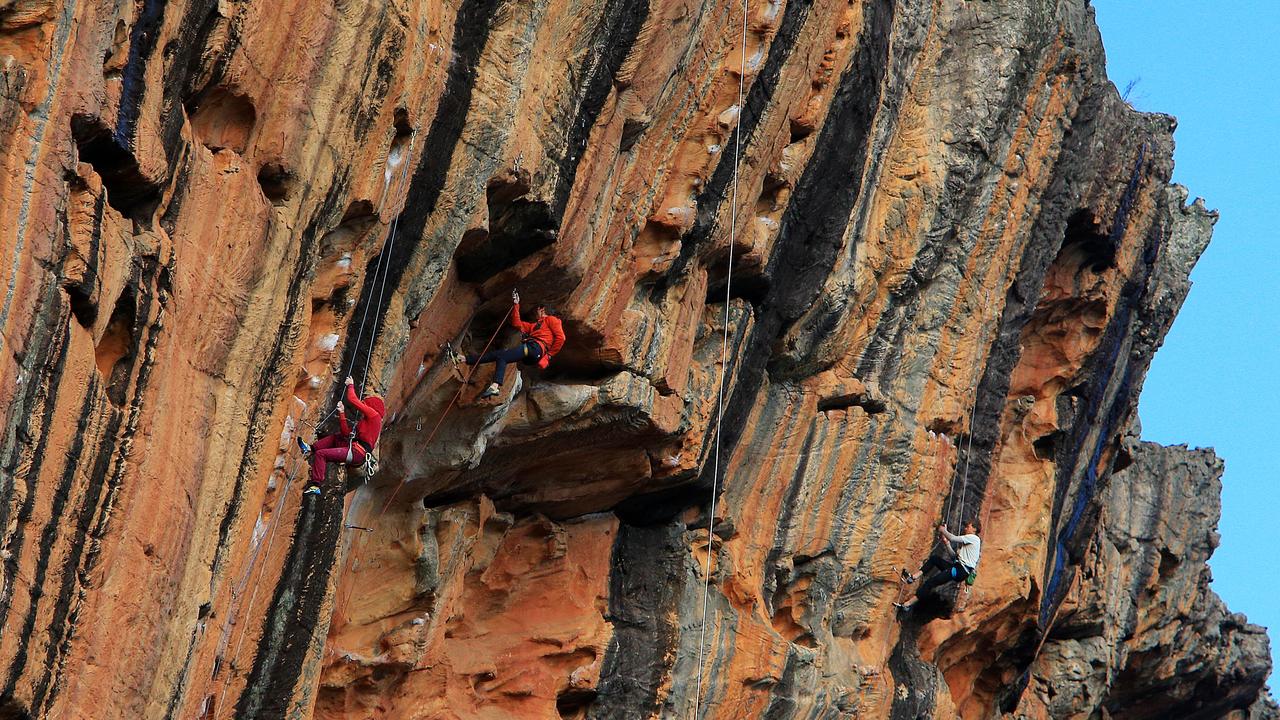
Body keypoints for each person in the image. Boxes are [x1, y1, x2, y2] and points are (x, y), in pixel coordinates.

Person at [456, 290, 566, 399]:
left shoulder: (552, 320)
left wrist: (549, 355)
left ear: (542, 309)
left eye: (537, 310)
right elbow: (516, 323)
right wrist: (516, 304)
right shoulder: (534, 326)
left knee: (502, 357)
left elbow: (561, 338)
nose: (535, 313)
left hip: (535, 348)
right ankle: (464, 359)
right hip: (531, 349)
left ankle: (495, 385)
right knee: (498, 354)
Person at [297, 376, 385, 495]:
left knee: (321, 455)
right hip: (354, 449)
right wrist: (342, 412)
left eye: (365, 405)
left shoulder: (374, 416)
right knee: (337, 437)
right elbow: (345, 433)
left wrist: (351, 385)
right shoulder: (365, 422)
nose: (363, 407)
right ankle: (310, 448)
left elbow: (353, 399)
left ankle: (315, 485)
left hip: (357, 453)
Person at [895, 521, 981, 611]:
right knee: (935, 559)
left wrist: (942, 530)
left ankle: (907, 604)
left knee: (930, 583)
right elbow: (954, 558)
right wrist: (946, 543)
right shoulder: (970, 542)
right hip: (959, 569)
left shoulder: (974, 538)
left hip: (960, 570)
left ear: (974, 529)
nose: (965, 528)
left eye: (968, 526)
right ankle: (913, 577)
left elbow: (952, 538)